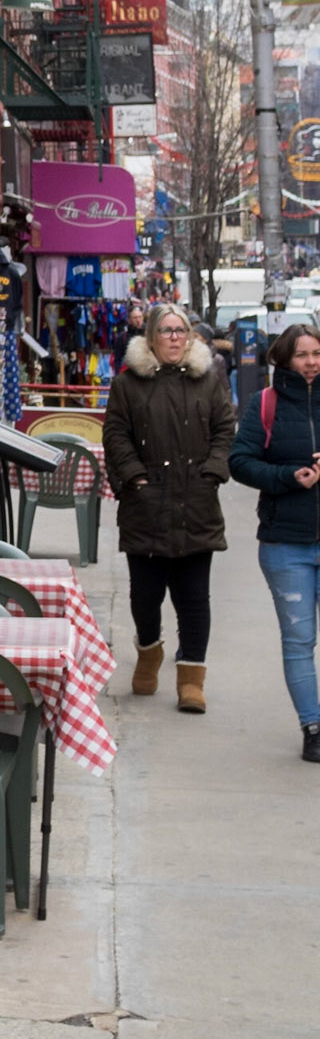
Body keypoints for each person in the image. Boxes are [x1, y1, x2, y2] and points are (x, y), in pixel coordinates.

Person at [103, 303, 237, 714]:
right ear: (151, 337)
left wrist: (212, 472)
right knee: (145, 597)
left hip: (196, 504)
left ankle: (191, 678)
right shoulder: (128, 384)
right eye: (166, 330)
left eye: (181, 330)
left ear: (190, 336)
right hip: (146, 505)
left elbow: (224, 429)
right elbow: (115, 435)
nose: (175, 337)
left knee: (194, 597)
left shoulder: (207, 380)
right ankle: (149, 651)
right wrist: (135, 479)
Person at [229, 322, 320, 762]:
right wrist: (288, 477)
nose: (312, 362)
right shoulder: (265, 403)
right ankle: (313, 727)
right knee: (299, 641)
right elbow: (240, 462)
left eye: (317, 354)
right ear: (284, 360)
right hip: (286, 545)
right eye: (302, 355)